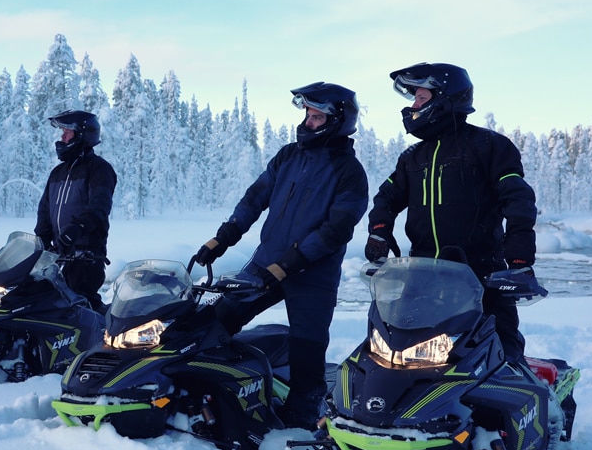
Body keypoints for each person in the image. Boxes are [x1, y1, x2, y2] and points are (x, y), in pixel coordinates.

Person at [191, 82, 369, 430]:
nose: (308, 122)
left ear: (338, 121)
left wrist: (291, 263)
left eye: (317, 116)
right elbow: (254, 198)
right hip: (265, 261)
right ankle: (206, 385)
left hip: (311, 274)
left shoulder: (350, 173)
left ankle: (302, 417)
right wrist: (224, 237)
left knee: (308, 347)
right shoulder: (289, 155)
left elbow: (336, 230)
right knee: (219, 318)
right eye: (307, 114)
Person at [363, 62, 539, 365]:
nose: (414, 106)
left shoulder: (488, 145)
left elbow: (518, 200)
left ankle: (521, 402)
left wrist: (520, 260)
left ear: (446, 97)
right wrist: (379, 229)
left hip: (482, 271)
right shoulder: (412, 157)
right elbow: (386, 197)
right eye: (414, 99)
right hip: (422, 273)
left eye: (421, 98)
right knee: (398, 351)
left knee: (501, 353)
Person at [35, 109, 118, 312]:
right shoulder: (57, 173)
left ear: (82, 133)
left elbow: (99, 207)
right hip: (57, 256)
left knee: (81, 309)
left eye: (67, 132)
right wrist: (40, 241)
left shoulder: (99, 169)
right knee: (46, 306)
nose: (62, 137)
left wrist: (77, 228)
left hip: (85, 257)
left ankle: (105, 340)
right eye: (62, 132)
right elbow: (45, 209)